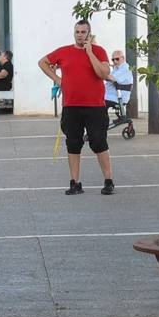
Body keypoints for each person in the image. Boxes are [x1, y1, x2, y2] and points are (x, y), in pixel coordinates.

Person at [38, 19, 115, 195]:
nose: (80, 35)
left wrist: (89, 52)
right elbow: (42, 62)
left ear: (89, 34)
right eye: (77, 32)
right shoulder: (64, 51)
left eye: (83, 32)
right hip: (71, 106)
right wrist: (57, 79)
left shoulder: (99, 51)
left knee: (98, 142)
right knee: (73, 143)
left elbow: (104, 73)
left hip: (95, 106)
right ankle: (75, 182)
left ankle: (108, 180)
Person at [105, 50, 134, 125]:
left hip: (117, 97)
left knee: (98, 104)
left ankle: (102, 125)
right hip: (111, 95)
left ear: (123, 58)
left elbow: (110, 77)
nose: (115, 61)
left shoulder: (125, 68)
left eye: (117, 59)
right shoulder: (117, 68)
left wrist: (100, 71)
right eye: (113, 59)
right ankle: (101, 123)